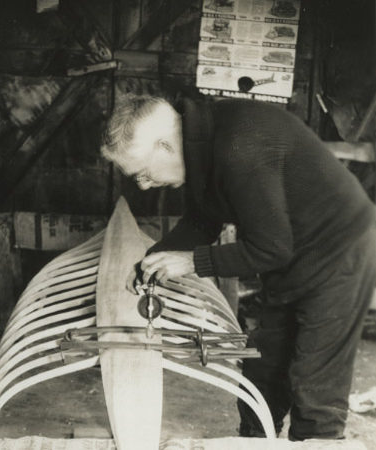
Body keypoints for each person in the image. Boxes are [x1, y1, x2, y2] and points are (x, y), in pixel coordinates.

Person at [101, 93, 376, 441]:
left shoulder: (236, 147)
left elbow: (271, 248)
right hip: (295, 252)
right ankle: (254, 442)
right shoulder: (202, 141)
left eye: (142, 173)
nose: (142, 184)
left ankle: (317, 443)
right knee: (264, 368)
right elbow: (204, 218)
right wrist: (154, 260)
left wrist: (192, 262)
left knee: (314, 385)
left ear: (164, 147)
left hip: (339, 250)